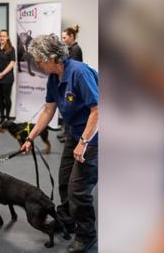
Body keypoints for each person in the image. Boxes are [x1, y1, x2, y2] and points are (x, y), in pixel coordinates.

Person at [20, 34, 98, 253]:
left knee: (78, 189)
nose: (37, 63)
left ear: (53, 57)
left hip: (93, 136)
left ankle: (87, 235)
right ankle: (68, 220)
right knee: (64, 181)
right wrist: (30, 136)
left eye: (39, 59)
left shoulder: (79, 73)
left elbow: (98, 110)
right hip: (75, 132)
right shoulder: (54, 77)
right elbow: (48, 109)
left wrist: (84, 142)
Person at [59, 25, 84, 143]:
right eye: (62, 38)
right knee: (66, 108)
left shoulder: (75, 50)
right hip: (67, 82)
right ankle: (65, 132)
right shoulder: (69, 49)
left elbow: (73, 69)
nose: (63, 40)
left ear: (71, 37)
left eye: (64, 38)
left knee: (70, 109)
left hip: (72, 84)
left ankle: (68, 134)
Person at [0, 29, 16, 125]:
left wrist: (2, 73)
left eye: (4, 36)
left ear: (7, 37)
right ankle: (1, 117)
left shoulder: (11, 49)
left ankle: (7, 118)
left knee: (6, 97)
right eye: (0, 36)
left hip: (7, 78)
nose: (2, 38)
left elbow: (12, 63)